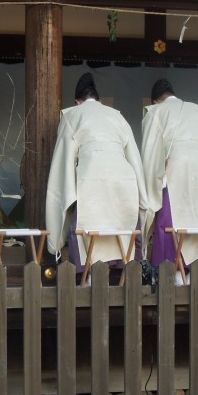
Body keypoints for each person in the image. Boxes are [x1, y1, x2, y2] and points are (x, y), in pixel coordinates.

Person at [46, 72, 152, 274]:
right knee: (122, 223)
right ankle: (124, 271)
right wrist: (142, 195)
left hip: (90, 177)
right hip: (123, 176)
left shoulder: (71, 115)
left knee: (87, 226)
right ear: (99, 100)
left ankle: (88, 278)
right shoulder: (116, 116)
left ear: (78, 101)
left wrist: (65, 195)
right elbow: (134, 158)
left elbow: (63, 161)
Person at [141, 78, 198, 284]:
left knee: (169, 221)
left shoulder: (156, 112)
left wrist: (149, 185)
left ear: (155, 101)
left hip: (177, 167)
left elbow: (149, 154)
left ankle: (176, 274)